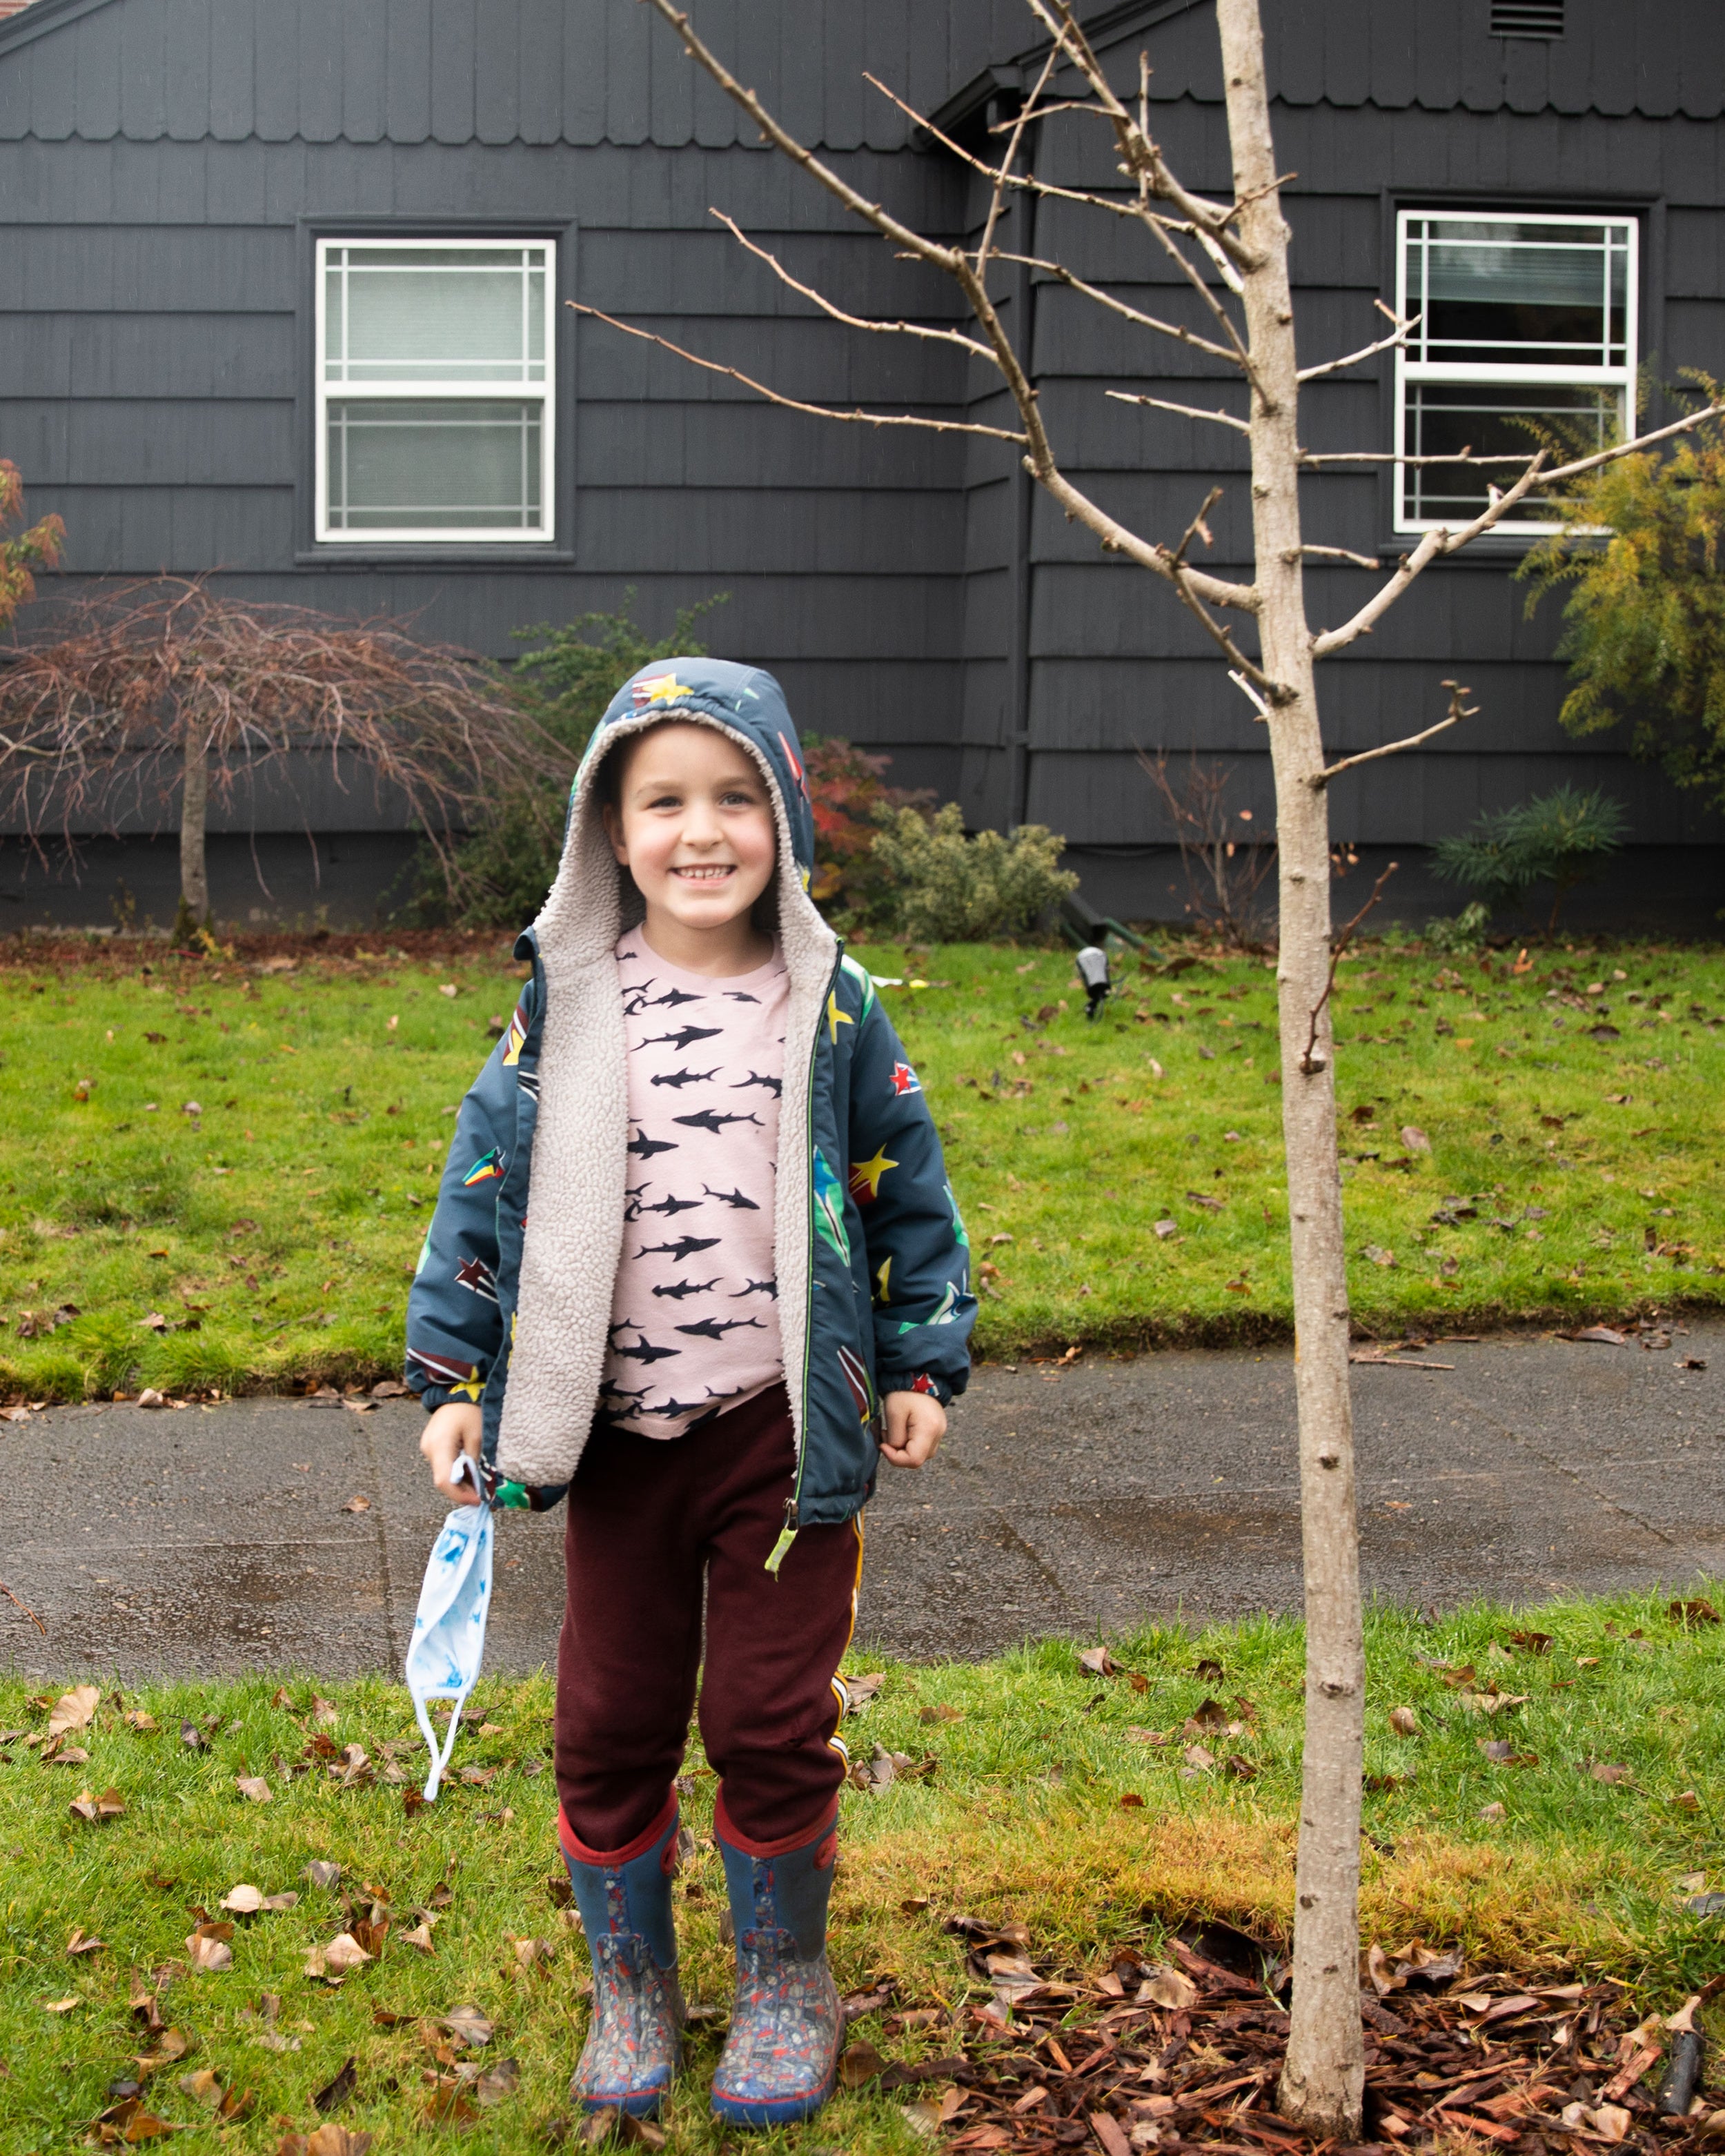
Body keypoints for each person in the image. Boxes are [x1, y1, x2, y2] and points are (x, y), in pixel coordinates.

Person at [405, 658, 976, 2129]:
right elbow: (484, 1191)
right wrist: (450, 1377)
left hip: (782, 1435)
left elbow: (907, 1192)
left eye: (735, 797)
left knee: (769, 1715)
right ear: (608, 828)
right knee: (607, 1715)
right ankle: (632, 1979)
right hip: (615, 1445)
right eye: (663, 801)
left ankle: (788, 1977)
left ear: (784, 817)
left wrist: (920, 1361)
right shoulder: (569, 1004)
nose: (700, 831)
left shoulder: (831, 1008)